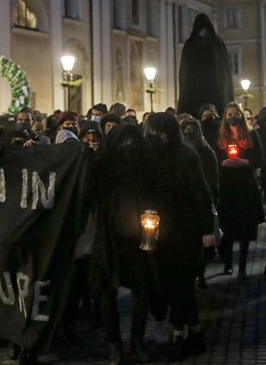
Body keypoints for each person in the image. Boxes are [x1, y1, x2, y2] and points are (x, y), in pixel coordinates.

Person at [144, 113, 215, 361]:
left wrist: (207, 230)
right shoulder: (151, 155)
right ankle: (194, 332)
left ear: (161, 132)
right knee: (172, 283)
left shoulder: (186, 156)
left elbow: (201, 194)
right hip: (158, 230)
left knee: (180, 284)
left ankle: (179, 333)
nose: (148, 134)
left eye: (151, 130)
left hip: (184, 231)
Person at [89, 123, 151, 363]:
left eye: (132, 141)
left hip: (140, 240)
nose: (128, 146)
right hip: (109, 239)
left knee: (142, 291)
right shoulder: (102, 167)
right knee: (107, 295)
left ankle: (137, 339)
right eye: (123, 141)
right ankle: (114, 343)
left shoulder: (146, 166)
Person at [214, 102, 264, 281]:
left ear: (241, 116)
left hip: (245, 187)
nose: (232, 117)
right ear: (225, 117)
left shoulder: (252, 135)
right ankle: (228, 263)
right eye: (229, 114)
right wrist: (223, 163)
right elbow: (216, 159)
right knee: (227, 228)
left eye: (236, 113)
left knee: (244, 228)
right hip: (227, 187)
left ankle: (242, 266)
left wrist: (245, 162)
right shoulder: (220, 137)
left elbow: (260, 159)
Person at [180, 117, 220, 288]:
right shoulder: (179, 151)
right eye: (185, 129)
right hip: (183, 201)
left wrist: (211, 196)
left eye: (191, 129)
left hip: (200, 199)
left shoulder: (206, 151)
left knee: (200, 241)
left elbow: (212, 177)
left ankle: (200, 272)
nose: (189, 132)